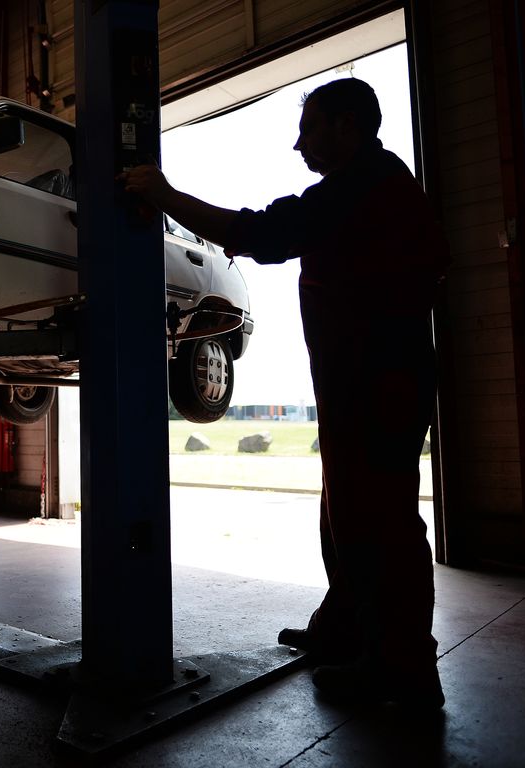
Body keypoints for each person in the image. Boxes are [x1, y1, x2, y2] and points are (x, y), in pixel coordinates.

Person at [119, 78, 449, 709]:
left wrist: (164, 196)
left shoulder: (361, 190)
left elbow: (263, 234)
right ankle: (347, 628)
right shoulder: (380, 185)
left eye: (311, 128)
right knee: (346, 511)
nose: (299, 145)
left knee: (380, 523)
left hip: (376, 382)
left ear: (348, 127)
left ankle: (404, 672)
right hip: (369, 381)